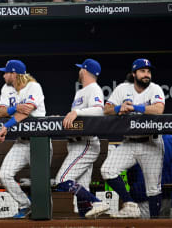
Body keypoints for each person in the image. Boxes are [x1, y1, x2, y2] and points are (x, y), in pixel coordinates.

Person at [101, 58, 165, 219]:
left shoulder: (155, 88)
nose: (146, 74)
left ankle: (155, 223)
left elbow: (158, 109)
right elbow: (106, 109)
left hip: (150, 143)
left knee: (153, 189)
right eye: (143, 71)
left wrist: (134, 107)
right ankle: (130, 205)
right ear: (134, 73)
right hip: (129, 142)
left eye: (148, 71)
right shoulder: (123, 88)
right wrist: (118, 107)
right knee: (107, 170)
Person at [54, 59, 110, 219]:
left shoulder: (94, 89)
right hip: (75, 143)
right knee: (82, 193)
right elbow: (78, 118)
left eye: (80, 69)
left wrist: (76, 112)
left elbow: (99, 111)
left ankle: (97, 202)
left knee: (62, 180)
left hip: (85, 143)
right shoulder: (81, 91)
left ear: (84, 71)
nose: (79, 71)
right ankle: (87, 218)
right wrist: (68, 116)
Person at [0, 60, 47, 219]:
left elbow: (27, 111)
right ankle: (25, 205)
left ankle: (46, 217)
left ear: (14, 74)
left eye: (6, 72)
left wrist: (6, 126)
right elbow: (1, 112)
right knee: (4, 174)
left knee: (40, 182)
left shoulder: (34, 87)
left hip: (40, 141)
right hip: (22, 141)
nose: (3, 75)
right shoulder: (6, 88)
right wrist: (15, 108)